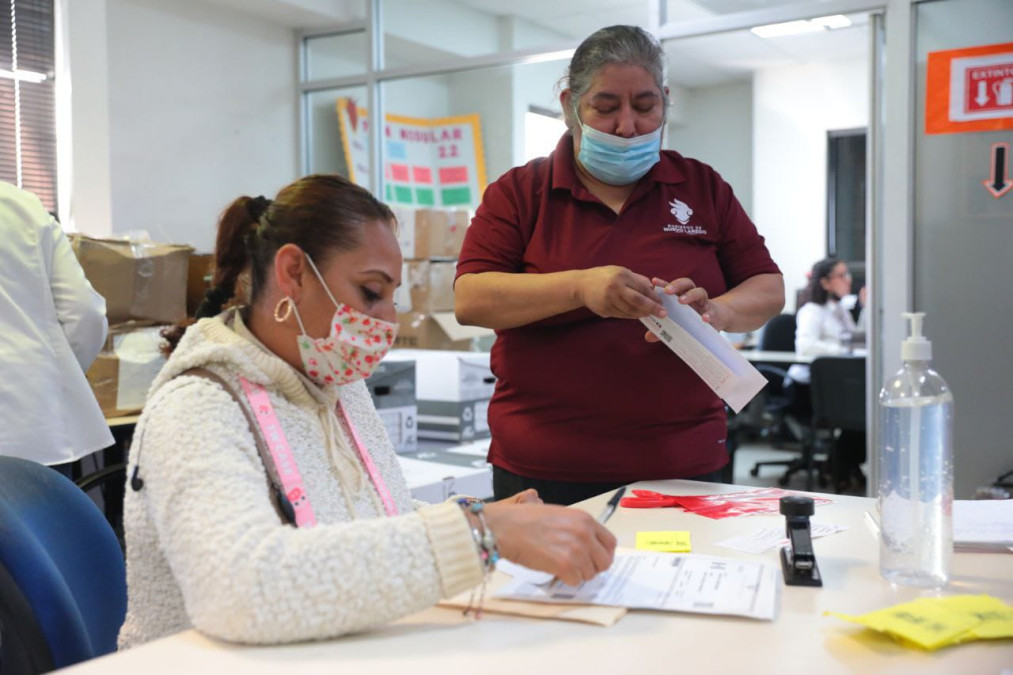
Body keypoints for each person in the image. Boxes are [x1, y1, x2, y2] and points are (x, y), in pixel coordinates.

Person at [118, 175, 616, 649]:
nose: (386, 321)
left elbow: (376, 515)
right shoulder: (198, 407)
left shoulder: (338, 387)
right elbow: (240, 590)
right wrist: (478, 536)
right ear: (293, 273)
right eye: (371, 292)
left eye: (392, 297)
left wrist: (479, 517)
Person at [454, 26, 784, 506]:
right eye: (605, 108)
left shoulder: (701, 188)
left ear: (665, 102)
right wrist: (580, 288)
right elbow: (471, 299)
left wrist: (718, 311)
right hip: (546, 466)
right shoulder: (522, 192)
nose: (627, 126)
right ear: (570, 106)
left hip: (684, 461)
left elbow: (768, 286)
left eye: (646, 107)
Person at [0, 182, 113, 475]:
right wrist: (56, 376)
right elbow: (84, 314)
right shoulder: (24, 207)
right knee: (45, 519)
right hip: (33, 422)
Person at [788, 256, 868, 492]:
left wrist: (864, 309)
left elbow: (857, 340)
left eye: (848, 275)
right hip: (807, 389)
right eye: (842, 276)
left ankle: (839, 465)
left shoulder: (840, 310)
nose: (848, 281)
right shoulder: (812, 311)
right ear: (824, 282)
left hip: (836, 386)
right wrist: (842, 350)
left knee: (868, 412)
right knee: (860, 416)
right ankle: (838, 466)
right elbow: (806, 347)